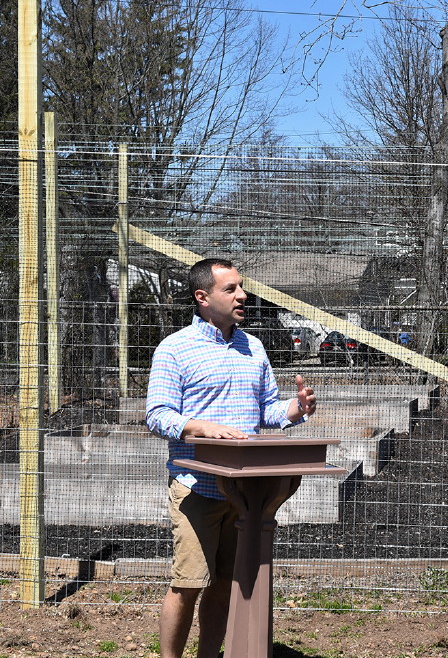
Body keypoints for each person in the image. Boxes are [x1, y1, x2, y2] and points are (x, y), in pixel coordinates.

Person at [146, 258, 317, 658]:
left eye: (242, 287)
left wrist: (295, 409)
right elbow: (157, 415)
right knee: (188, 583)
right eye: (231, 289)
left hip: (244, 494)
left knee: (225, 583)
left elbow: (267, 411)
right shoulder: (175, 349)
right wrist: (202, 427)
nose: (242, 296)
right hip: (197, 490)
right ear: (202, 297)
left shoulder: (252, 346)